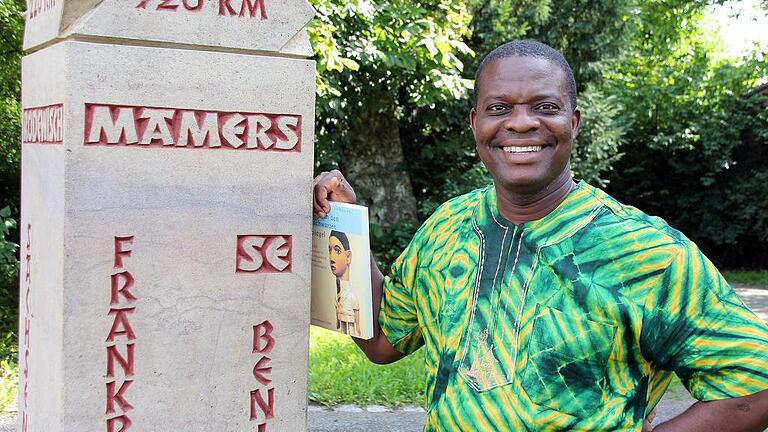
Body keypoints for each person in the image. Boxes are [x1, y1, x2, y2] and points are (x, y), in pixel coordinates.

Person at [312, 40, 768, 431]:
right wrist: (344, 225)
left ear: (574, 122)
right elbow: (380, 342)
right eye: (499, 108)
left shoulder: (646, 251)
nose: (522, 123)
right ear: (475, 123)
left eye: (545, 107)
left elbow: (756, 384)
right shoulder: (445, 228)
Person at [329, 230, 361, 336]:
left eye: (337, 251)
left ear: (348, 257)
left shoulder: (352, 296)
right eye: (329, 250)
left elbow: (356, 314)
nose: (331, 258)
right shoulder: (337, 295)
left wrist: (358, 328)